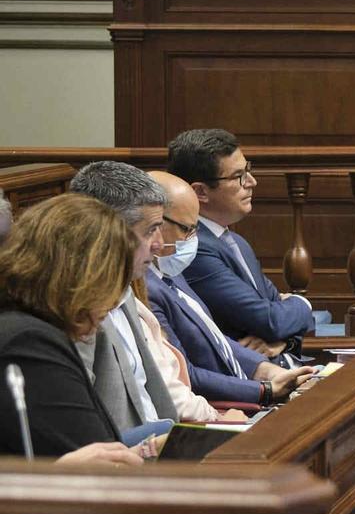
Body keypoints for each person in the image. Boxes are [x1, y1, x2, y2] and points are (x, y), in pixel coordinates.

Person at [0, 194, 152, 460]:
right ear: (85, 277)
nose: (115, 298)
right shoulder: (28, 342)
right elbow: (94, 461)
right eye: (113, 279)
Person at [145, 171, 314, 410]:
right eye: (187, 229)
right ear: (154, 225)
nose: (194, 238)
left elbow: (213, 337)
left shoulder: (170, 271)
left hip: (249, 388)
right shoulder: (147, 289)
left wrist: (264, 369)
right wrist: (264, 390)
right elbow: (185, 373)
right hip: (222, 407)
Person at [166, 128, 315, 353]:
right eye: (239, 177)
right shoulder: (195, 248)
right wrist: (303, 303)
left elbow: (286, 321)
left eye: (248, 170)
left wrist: (284, 342)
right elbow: (271, 321)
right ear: (201, 191)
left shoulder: (236, 243)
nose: (252, 182)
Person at [65, 161, 177, 438]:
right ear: (107, 232)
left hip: (164, 450)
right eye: (150, 230)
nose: (160, 244)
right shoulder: (74, 307)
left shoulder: (124, 290)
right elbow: (80, 429)